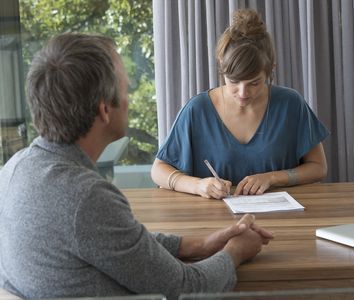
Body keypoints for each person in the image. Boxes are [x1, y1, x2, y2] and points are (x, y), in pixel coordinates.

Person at [0, 33, 274, 299]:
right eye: (125, 88)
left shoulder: (15, 168)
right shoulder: (87, 199)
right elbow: (187, 288)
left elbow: (117, 242)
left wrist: (199, 245)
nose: (129, 98)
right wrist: (236, 251)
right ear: (104, 110)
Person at [151, 9, 329, 200]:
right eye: (234, 81)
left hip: (280, 218)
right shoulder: (197, 109)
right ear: (222, 69)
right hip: (212, 222)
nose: (243, 93)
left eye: (254, 83)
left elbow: (318, 167)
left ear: (270, 71)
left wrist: (272, 178)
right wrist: (197, 185)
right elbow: (158, 170)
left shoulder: (291, 104)